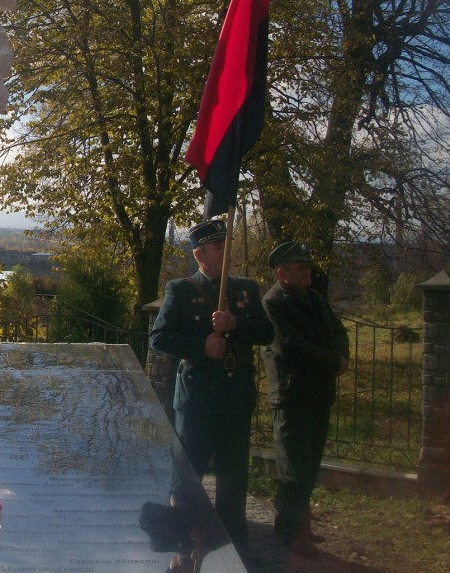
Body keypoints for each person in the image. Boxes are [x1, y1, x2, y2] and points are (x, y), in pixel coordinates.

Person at [149, 218, 274, 553]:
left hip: (236, 394)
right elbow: (159, 337)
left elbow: (267, 332)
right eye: (218, 248)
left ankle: (233, 547)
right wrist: (201, 347)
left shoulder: (245, 289)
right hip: (198, 397)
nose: (224, 252)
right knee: (187, 475)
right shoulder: (181, 290)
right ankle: (185, 545)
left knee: (234, 476)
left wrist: (236, 324)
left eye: (226, 246)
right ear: (200, 254)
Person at [260, 240, 349, 557]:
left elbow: (338, 330)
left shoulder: (313, 298)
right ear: (282, 273)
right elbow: (291, 346)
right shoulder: (273, 304)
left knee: (309, 467)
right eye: (300, 268)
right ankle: (293, 534)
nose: (307, 272)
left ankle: (297, 527)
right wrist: (333, 362)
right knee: (294, 470)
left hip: (318, 394)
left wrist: (341, 356)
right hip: (291, 395)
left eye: (307, 267)